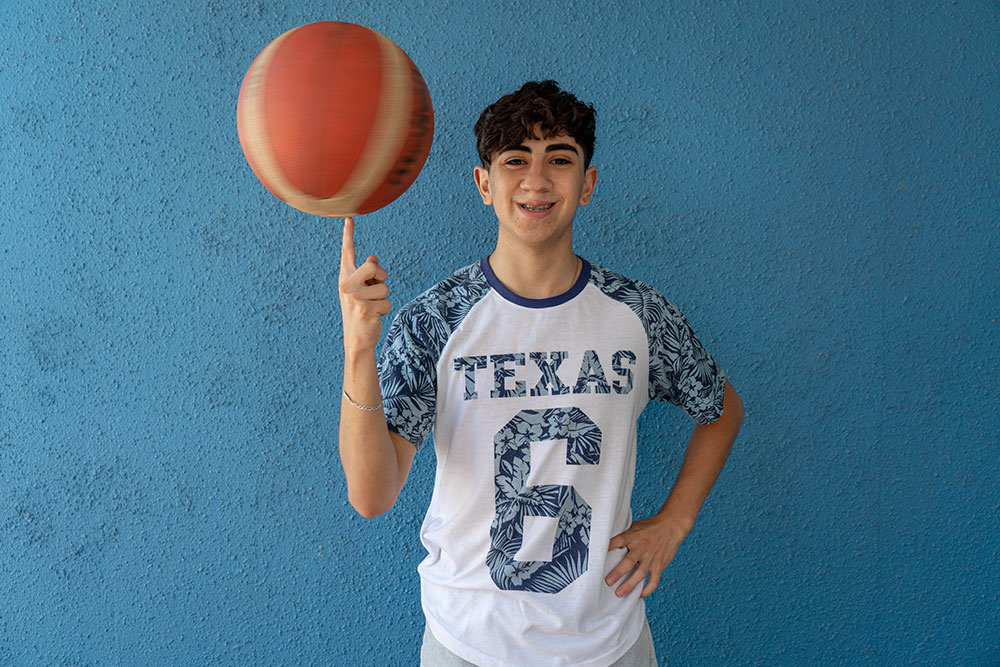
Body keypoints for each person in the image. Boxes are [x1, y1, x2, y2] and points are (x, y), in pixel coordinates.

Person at [338, 80, 744, 667]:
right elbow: (372, 497)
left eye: (559, 159)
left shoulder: (638, 315)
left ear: (588, 184)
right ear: (484, 184)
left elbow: (722, 409)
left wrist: (675, 521)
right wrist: (358, 351)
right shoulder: (435, 320)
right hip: (468, 641)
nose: (535, 180)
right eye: (514, 161)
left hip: (608, 642)